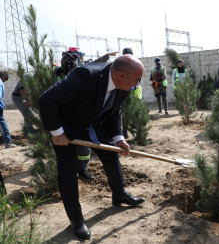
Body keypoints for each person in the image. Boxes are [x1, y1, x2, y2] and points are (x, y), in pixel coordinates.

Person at [38, 55, 146, 240]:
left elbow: (114, 110)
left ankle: (119, 193)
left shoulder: (124, 86)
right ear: (121, 76)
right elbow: (46, 100)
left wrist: (118, 138)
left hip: (94, 124)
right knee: (68, 170)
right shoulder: (85, 76)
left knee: (112, 155)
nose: (138, 83)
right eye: (137, 79)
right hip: (66, 127)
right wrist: (57, 133)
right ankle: (76, 219)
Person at [54, 49, 95, 182]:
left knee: (83, 146)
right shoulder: (57, 75)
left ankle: (81, 169)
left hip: (78, 117)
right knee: (65, 149)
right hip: (62, 118)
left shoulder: (80, 74)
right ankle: (68, 173)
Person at [0, 71, 16, 148]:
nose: (4, 82)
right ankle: (8, 142)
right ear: (3, 77)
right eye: (5, 80)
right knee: (2, 123)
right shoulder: (0, 83)